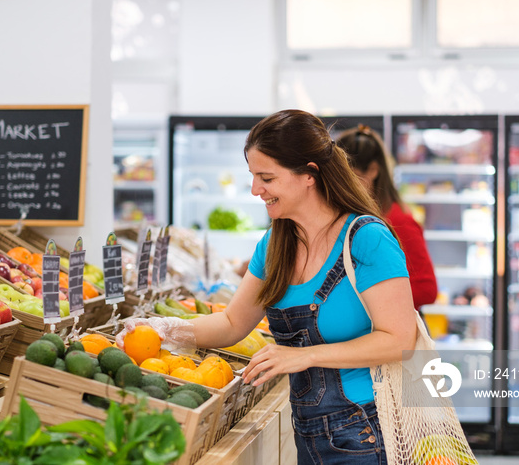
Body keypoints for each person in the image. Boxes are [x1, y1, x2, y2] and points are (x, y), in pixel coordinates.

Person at [120, 109, 417, 464]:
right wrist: (165, 329)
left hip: (368, 430)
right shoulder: (275, 244)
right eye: (253, 176)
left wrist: (303, 355)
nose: (255, 189)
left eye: (266, 177)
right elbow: (232, 323)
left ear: (309, 174)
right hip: (309, 431)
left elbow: (400, 340)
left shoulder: (367, 239)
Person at [336, 124, 438, 311]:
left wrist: (367, 297)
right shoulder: (348, 217)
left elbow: (427, 289)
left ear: (373, 170)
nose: (343, 187)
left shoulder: (398, 222)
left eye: (352, 177)